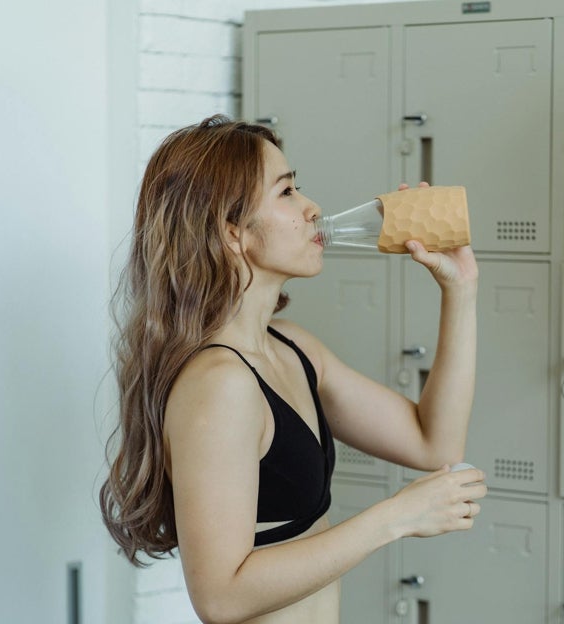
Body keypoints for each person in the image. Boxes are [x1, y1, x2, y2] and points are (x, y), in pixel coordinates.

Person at [100, 114, 487, 624]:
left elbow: (432, 442)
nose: (312, 208)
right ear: (231, 231)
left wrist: (460, 291)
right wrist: (395, 518)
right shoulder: (220, 384)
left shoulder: (293, 349)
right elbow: (219, 597)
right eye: (286, 193)